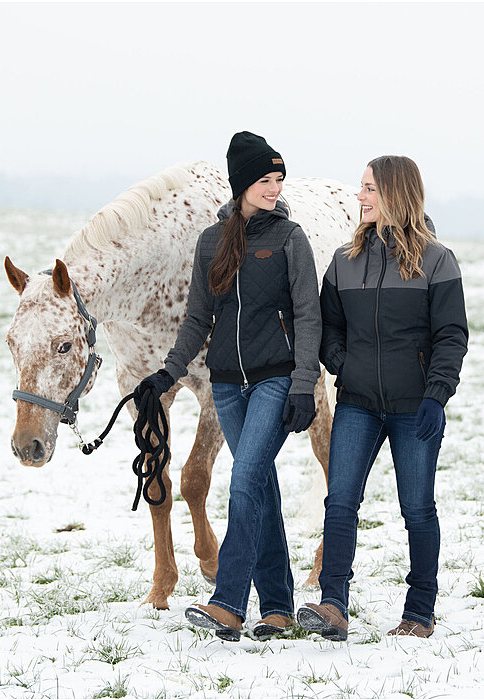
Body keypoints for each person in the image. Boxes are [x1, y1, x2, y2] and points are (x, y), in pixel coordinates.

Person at [134, 131, 322, 641]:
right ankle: (279, 606)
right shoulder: (211, 242)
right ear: (241, 184)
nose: (274, 189)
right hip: (227, 386)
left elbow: (308, 316)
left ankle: (229, 603)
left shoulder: (290, 238)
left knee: (242, 483)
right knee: (260, 487)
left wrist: (304, 384)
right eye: (265, 179)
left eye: (279, 180)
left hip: (275, 381)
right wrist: (168, 373)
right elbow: (197, 319)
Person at [296, 155, 468, 641]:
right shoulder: (343, 262)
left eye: (369, 188)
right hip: (357, 403)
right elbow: (328, 328)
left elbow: (452, 336)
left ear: (395, 193)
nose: (360, 196)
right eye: (362, 187)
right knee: (340, 502)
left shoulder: (437, 261)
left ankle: (419, 611)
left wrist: (436, 396)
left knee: (416, 508)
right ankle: (333, 606)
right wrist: (342, 365)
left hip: (416, 407)